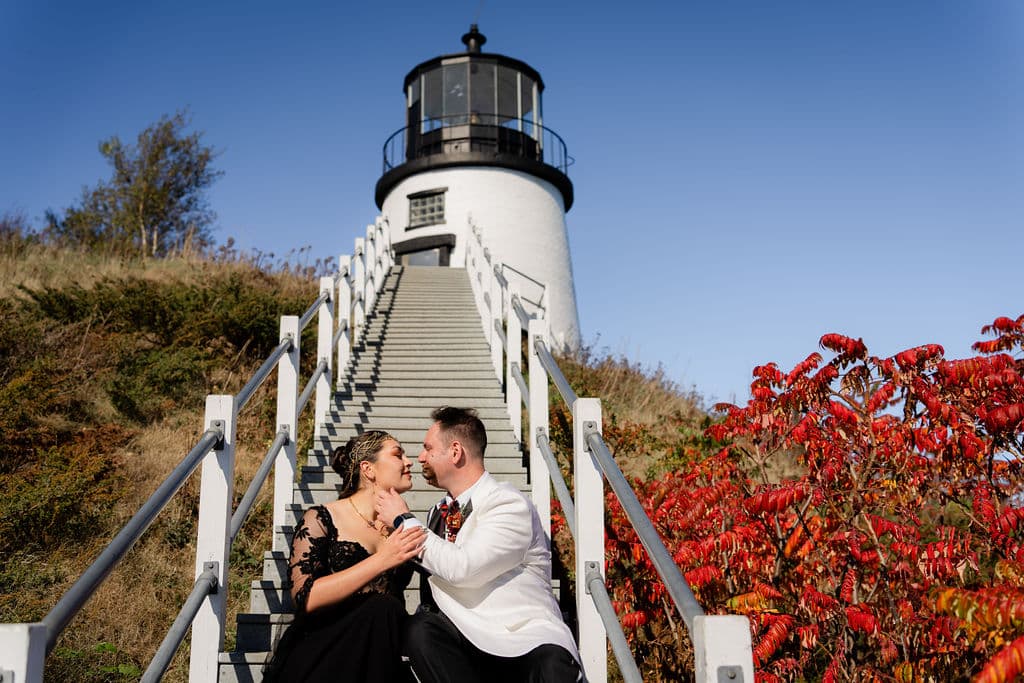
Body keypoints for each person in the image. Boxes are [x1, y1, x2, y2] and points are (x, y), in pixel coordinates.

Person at [376, 406, 582, 683]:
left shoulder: (508, 504)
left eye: (428, 448)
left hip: (521, 641)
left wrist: (403, 520)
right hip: (462, 639)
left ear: (456, 451)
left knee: (549, 665)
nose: (421, 457)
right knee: (420, 630)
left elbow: (465, 568)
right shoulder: (437, 512)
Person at [263, 430, 426, 683]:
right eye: (398, 454)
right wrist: (382, 560)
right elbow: (304, 597)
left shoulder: (401, 527)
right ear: (368, 469)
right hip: (328, 650)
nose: (409, 461)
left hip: (379, 659)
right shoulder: (321, 518)